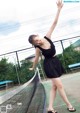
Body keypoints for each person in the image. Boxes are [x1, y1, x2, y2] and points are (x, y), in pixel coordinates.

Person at [28, 0, 76, 113]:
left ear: (38, 36)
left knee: (54, 87)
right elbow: (36, 59)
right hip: (49, 65)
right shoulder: (38, 48)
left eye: (37, 39)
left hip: (56, 62)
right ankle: (69, 105)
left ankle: (50, 108)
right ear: (34, 44)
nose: (38, 41)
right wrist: (33, 67)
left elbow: (54, 23)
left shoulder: (47, 37)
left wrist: (59, 9)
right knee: (59, 85)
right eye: (35, 42)